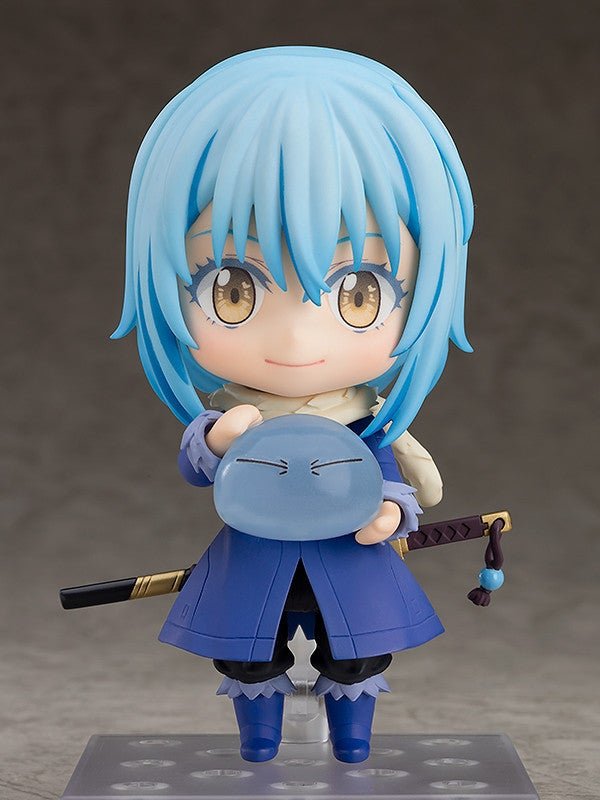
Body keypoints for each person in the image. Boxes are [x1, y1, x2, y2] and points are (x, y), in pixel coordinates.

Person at [112, 46, 474, 763]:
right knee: (250, 656)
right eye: (233, 289)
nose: (297, 340)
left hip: (350, 560)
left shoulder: (363, 421)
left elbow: (388, 475)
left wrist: (389, 511)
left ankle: (353, 740)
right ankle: (259, 740)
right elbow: (197, 464)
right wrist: (218, 441)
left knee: (356, 656)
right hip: (254, 556)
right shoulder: (234, 419)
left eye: (360, 293)